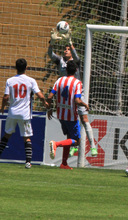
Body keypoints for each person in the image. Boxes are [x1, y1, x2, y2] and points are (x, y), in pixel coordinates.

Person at [48, 29, 97, 157]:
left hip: (78, 93)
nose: (66, 50)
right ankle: (73, 147)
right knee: (70, 123)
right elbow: (50, 54)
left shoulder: (76, 63)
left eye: (68, 49)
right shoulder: (60, 61)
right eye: (65, 49)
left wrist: (71, 43)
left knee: (84, 119)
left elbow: (77, 57)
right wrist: (51, 43)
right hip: (66, 97)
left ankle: (92, 146)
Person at [0, 58, 48, 168]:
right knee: (26, 137)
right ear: (26, 68)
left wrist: (2, 107)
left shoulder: (10, 80)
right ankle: (28, 162)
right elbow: (39, 95)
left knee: (6, 135)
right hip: (24, 114)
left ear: (15, 67)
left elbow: (6, 97)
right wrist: (45, 102)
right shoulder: (31, 81)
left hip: (12, 112)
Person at [47, 60, 89, 170]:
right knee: (77, 142)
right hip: (71, 116)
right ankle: (56, 144)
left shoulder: (59, 80)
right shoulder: (77, 83)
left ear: (66, 69)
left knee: (69, 138)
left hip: (60, 115)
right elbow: (77, 100)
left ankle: (64, 163)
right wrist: (85, 104)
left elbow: (50, 97)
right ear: (76, 70)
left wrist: (49, 109)